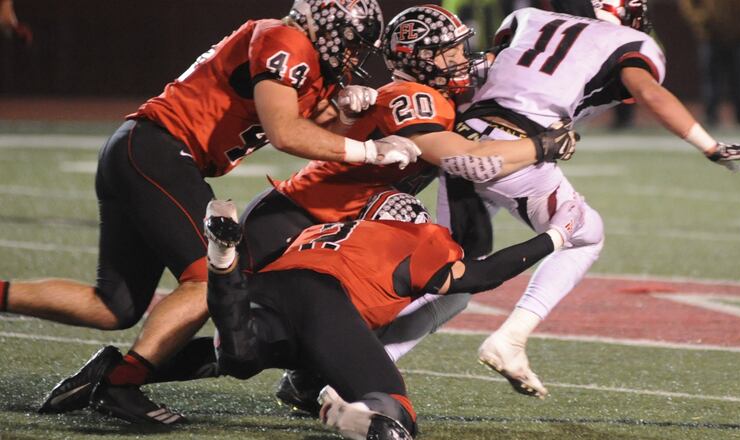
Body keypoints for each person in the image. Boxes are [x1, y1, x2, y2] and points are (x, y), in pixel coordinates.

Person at [32, 4, 580, 423]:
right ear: (421, 61)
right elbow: (458, 157)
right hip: (295, 217)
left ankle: (134, 371)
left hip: (319, 219)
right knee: (234, 316)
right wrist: (542, 147)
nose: (463, 60)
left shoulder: (419, 96)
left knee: (254, 332)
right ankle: (126, 376)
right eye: (451, 53)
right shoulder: (416, 98)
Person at [1, 0, 426, 424]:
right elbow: (285, 132)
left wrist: (345, 115)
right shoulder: (285, 38)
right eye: (351, 43)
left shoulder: (305, 59)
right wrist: (367, 150)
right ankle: (119, 384)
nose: (352, 56)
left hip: (143, 151)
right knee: (210, 278)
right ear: (327, 26)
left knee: (112, 306)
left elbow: (316, 133)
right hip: (159, 150)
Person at [374, 0, 740, 399]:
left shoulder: (527, 19)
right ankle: (511, 339)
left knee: (454, 273)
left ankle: (367, 363)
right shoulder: (627, 41)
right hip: (519, 148)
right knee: (587, 235)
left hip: (465, 139)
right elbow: (650, 94)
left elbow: (484, 69)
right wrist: (711, 147)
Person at [190, 193, 583, 439]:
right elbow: (486, 274)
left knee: (238, 357)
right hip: (325, 305)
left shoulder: (326, 231)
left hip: (269, 288)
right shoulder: (415, 237)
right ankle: (365, 416)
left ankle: (223, 265)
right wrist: (556, 236)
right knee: (396, 408)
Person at [679, 0, 740, 127]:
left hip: (738, 35)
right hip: (711, 35)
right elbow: (688, 5)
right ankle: (711, 116)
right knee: (711, 79)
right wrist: (701, 20)